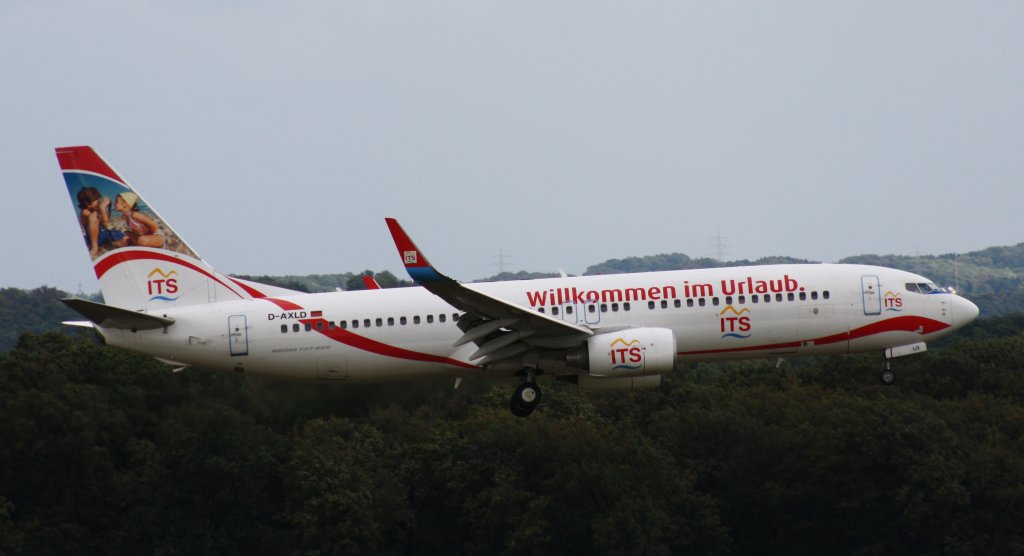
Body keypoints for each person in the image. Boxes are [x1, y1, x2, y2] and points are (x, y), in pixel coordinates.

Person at [77, 187, 126, 257]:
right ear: (88, 204)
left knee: (125, 239)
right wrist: (102, 208)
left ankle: (112, 243)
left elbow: (106, 222)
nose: (98, 201)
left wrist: (108, 206)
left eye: (98, 199)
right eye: (95, 200)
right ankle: (95, 247)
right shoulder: (85, 212)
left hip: (102, 234)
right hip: (92, 238)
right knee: (94, 216)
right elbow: (104, 223)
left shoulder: (96, 210)